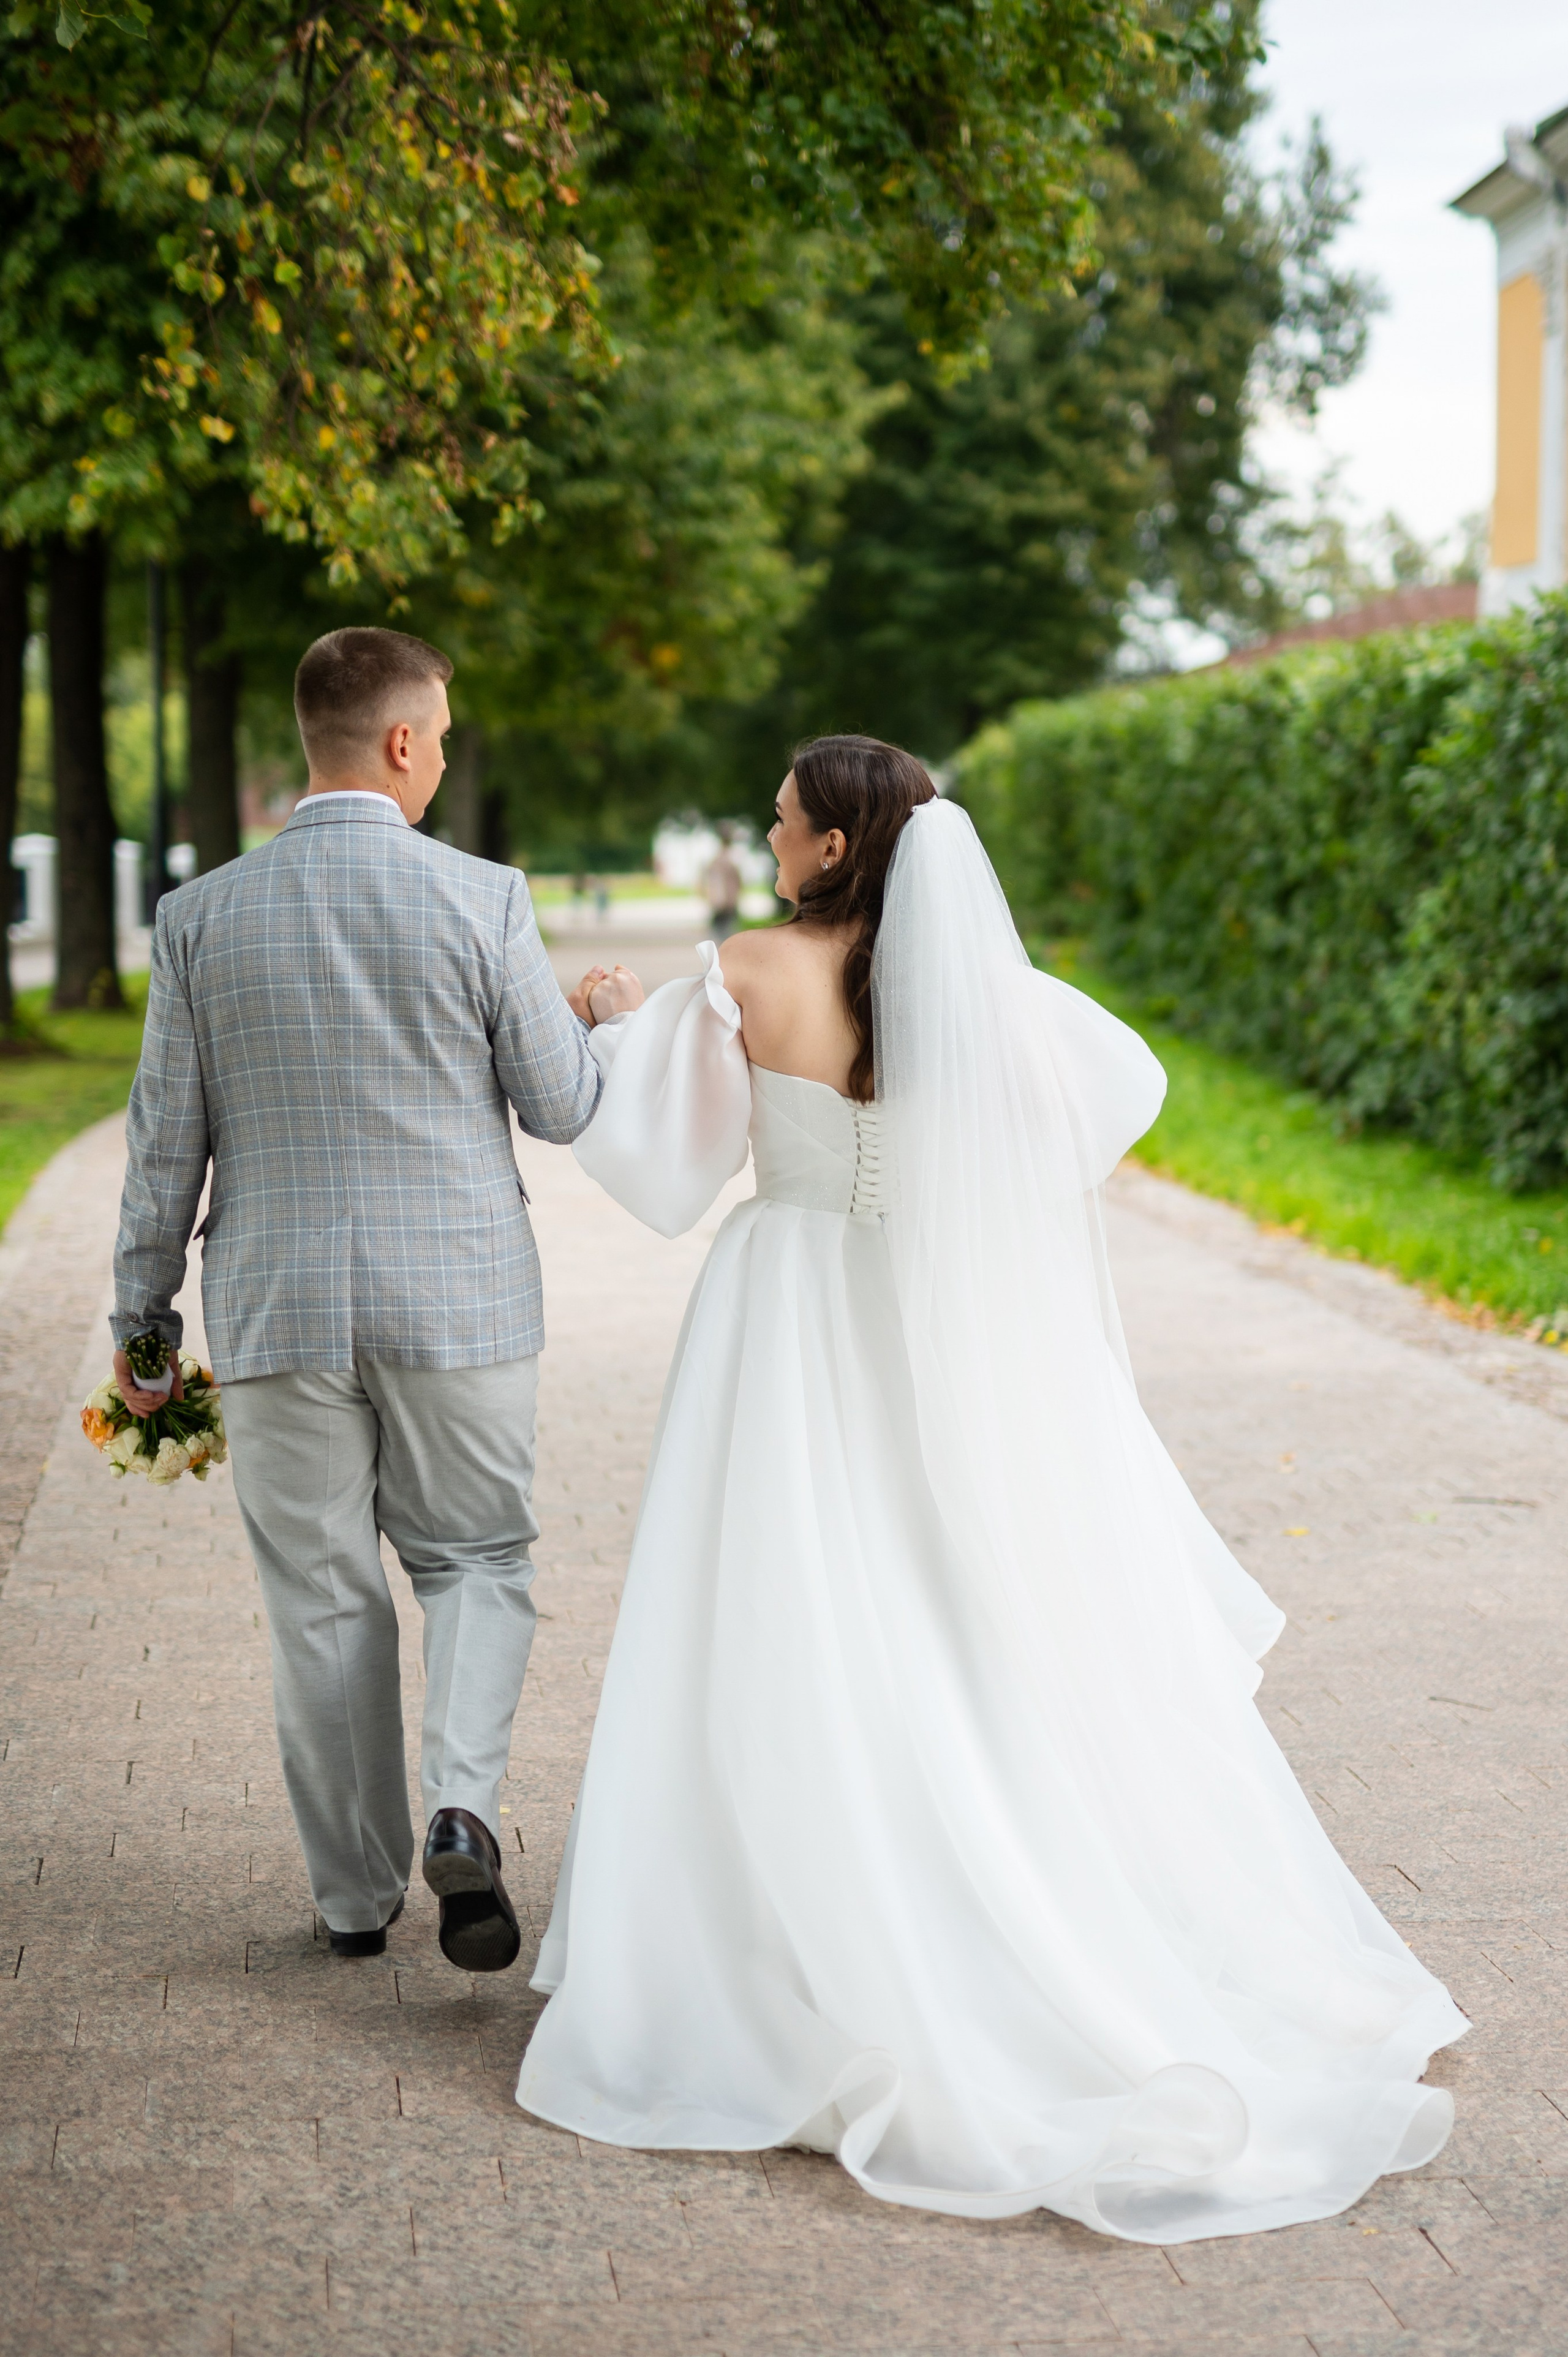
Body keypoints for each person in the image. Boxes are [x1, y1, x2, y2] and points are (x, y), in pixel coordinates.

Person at [517, 733, 1468, 2243]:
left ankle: (769, 1924)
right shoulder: (970, 986)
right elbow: (1124, 1083)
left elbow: (659, 1171)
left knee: (781, 1603)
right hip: (920, 1313)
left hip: (784, 1312)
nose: (764, 839)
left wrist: (608, 1022)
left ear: (834, 843)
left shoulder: (745, 971)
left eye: (780, 822)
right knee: (937, 1589)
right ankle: (988, 1870)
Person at [111, 627, 640, 1971]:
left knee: (321, 1593)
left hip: (279, 1303)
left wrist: (145, 1322)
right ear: (401, 743)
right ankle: (461, 1806)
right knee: (475, 1557)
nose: (446, 754)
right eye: (444, 735)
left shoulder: (199, 918)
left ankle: (353, 1898)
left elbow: (166, 1143)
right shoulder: (482, 897)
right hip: (457, 1296)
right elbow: (562, 1106)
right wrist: (598, 1014)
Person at [702, 823, 744, 941]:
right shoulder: (731, 858)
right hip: (727, 900)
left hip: (720, 900)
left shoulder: (717, 859)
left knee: (721, 931)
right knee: (726, 930)